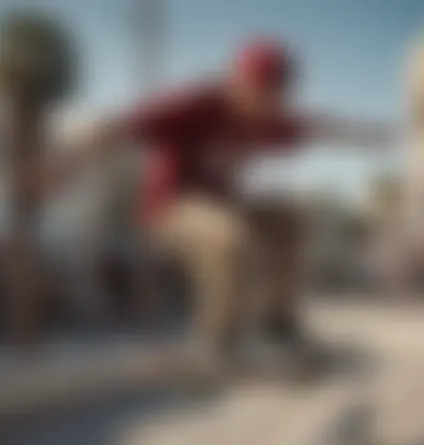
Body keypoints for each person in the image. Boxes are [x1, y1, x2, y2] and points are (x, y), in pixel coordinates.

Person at [42, 38, 394, 367]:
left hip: (223, 206)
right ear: (237, 83)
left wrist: (370, 136)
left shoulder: (270, 122)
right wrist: (63, 162)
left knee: (286, 219)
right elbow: (119, 126)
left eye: (274, 99)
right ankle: (215, 343)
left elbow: (321, 127)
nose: (262, 108)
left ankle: (278, 323)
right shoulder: (194, 105)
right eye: (257, 95)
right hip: (169, 208)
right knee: (230, 239)